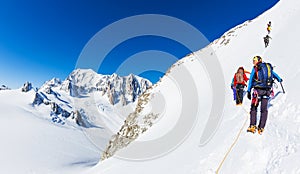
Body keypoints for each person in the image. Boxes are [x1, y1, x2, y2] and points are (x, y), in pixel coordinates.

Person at [246, 56, 282, 134]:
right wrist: (279, 79)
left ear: (258, 61)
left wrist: (248, 91)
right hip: (267, 91)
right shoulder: (267, 67)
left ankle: (252, 125)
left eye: (254, 60)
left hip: (258, 90)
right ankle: (261, 127)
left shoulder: (256, 68)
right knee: (264, 110)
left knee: (253, 107)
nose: (253, 62)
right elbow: (274, 74)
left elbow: (251, 79)